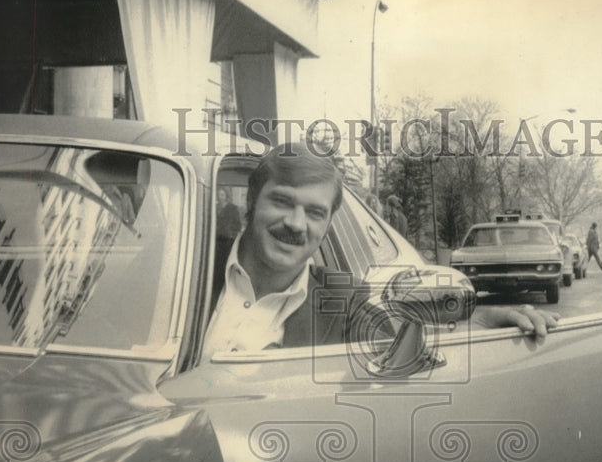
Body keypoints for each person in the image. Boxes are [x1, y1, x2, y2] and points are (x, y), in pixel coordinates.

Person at [204, 142, 558, 356]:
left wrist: (488, 323)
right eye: (282, 202)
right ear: (252, 201)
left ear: (328, 225)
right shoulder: (187, 264)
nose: (296, 224)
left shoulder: (344, 300)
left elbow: (406, 343)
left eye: (315, 212)